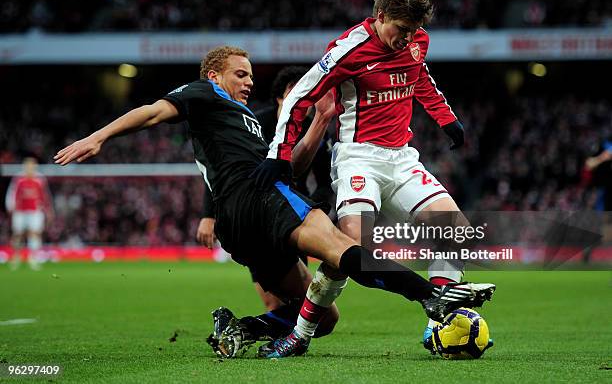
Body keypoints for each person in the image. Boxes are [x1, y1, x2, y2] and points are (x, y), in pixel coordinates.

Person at [54, 45, 494, 359]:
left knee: (323, 318)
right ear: (215, 75)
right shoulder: (204, 95)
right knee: (344, 250)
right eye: (240, 74)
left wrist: (319, 122)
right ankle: (431, 297)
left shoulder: (252, 123)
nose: (249, 81)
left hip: (239, 226)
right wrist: (98, 137)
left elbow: (291, 166)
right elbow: (151, 111)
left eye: (250, 75)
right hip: (259, 199)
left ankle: (241, 329)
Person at [250, 0, 485, 357]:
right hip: (359, 158)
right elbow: (299, 98)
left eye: (415, 31)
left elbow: (418, 74)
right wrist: (279, 153)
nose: (408, 39)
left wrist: (445, 117)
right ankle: (300, 334)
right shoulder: (347, 50)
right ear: (379, 15)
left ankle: (436, 328)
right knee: (349, 250)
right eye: (401, 30)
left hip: (402, 157)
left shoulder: (416, 41)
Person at [196, 66, 333, 313]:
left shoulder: (315, 131)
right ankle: (254, 330)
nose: (304, 96)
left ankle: (263, 334)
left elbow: (325, 182)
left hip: (292, 216)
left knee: (303, 303)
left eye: (309, 91)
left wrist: (314, 212)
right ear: (280, 96)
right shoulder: (254, 122)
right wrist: (209, 214)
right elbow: (223, 170)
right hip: (255, 216)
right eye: (296, 91)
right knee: (273, 302)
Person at [5, 156, 54, 270]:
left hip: (35, 211)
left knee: (35, 234)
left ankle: (33, 258)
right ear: (24, 166)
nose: (30, 168)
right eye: (28, 165)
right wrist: (10, 206)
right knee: (18, 234)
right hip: (20, 211)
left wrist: (48, 209)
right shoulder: (18, 178)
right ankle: (16, 257)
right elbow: (12, 192)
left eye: (32, 165)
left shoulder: (40, 179)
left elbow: (45, 196)